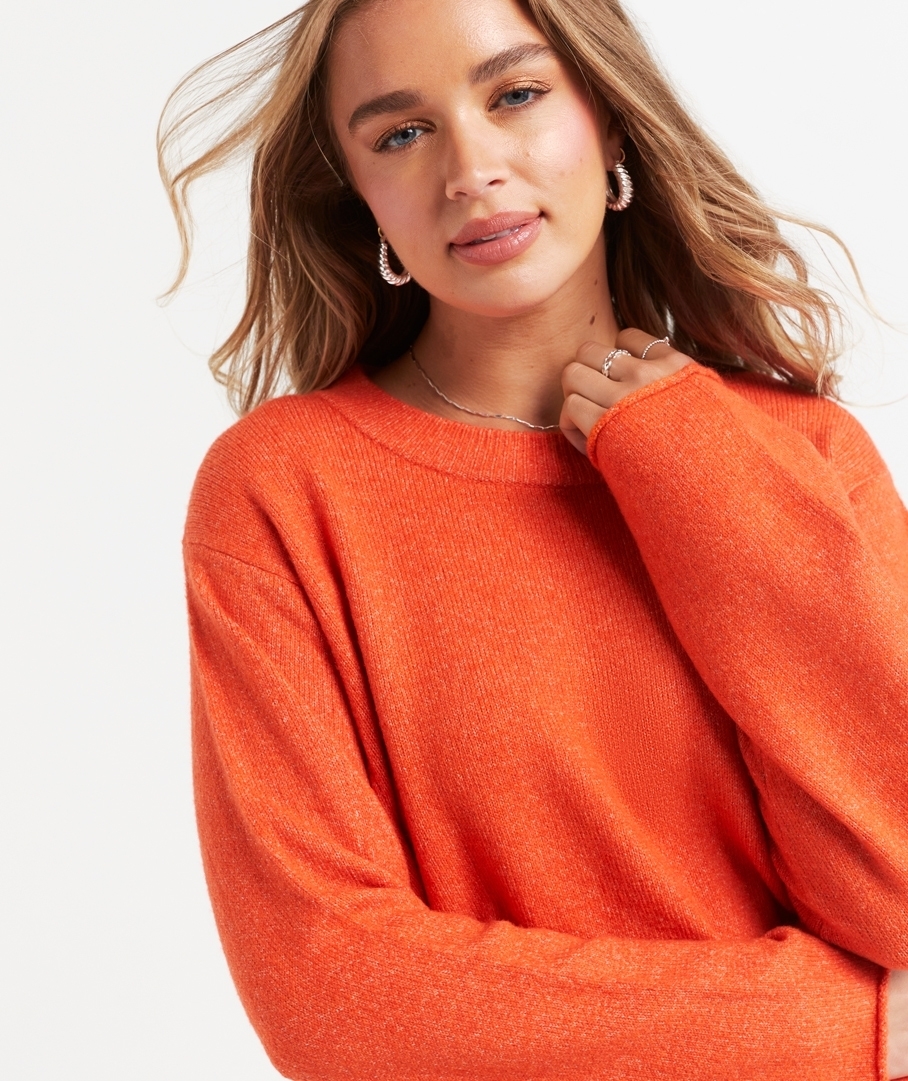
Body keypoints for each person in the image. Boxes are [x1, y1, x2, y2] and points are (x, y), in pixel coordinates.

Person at [161, 0, 908, 1075]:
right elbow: (332, 993)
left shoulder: (797, 453)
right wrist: (856, 1029)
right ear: (358, 190)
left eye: (514, 95)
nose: (469, 169)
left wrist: (692, 469)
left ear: (606, 120)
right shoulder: (285, 489)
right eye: (399, 133)